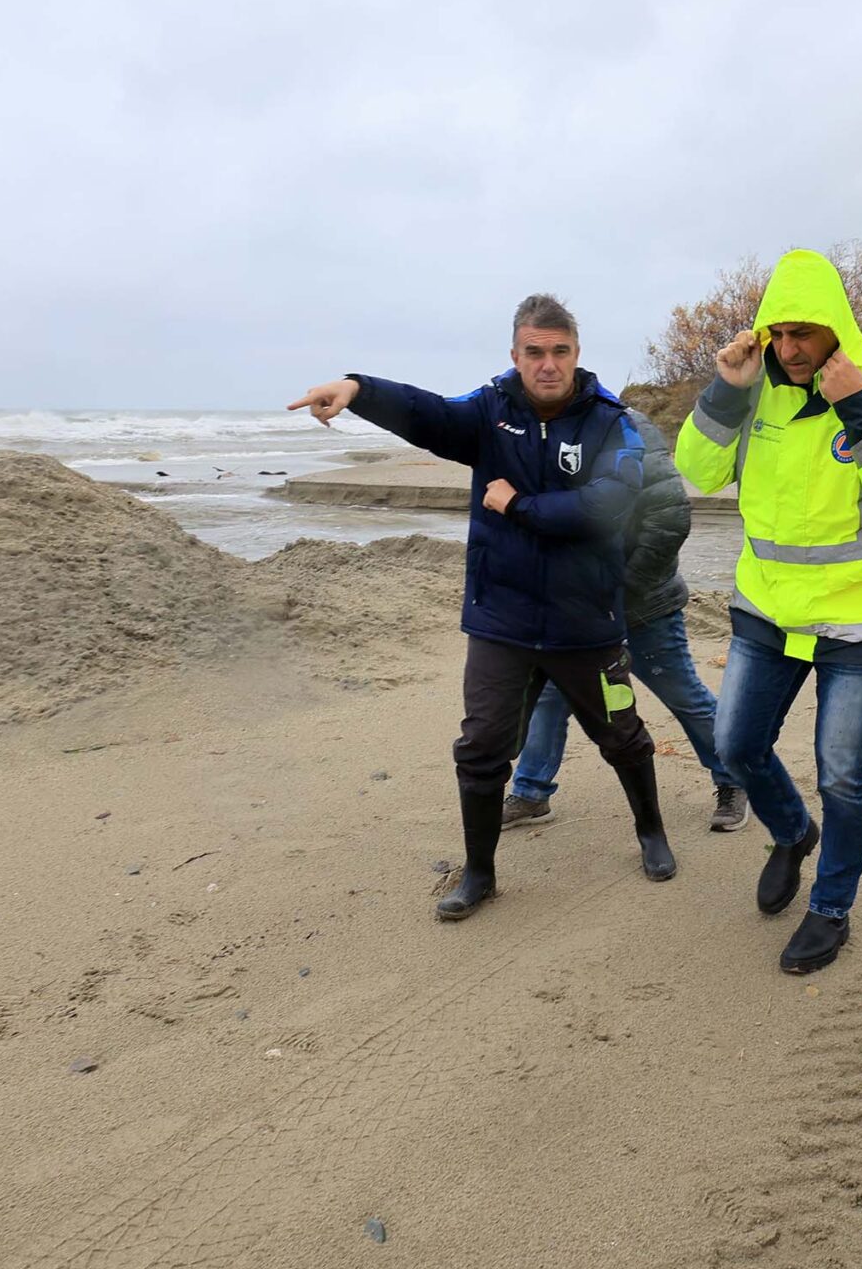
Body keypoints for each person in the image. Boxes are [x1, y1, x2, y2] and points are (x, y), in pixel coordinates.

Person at [287, 294, 676, 922]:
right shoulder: (489, 413)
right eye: (534, 352)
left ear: (576, 353)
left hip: (588, 626)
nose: (547, 364)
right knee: (482, 747)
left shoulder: (613, 423)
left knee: (622, 734)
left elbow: (607, 507)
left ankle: (651, 832)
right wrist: (358, 387)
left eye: (560, 351)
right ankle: (479, 873)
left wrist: (515, 505)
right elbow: (427, 414)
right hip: (502, 622)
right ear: (515, 355)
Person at [675, 249, 862, 975]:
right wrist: (727, 390)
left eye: (806, 333)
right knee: (733, 748)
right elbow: (699, 471)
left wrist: (859, 403)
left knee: (842, 771)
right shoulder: (756, 379)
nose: (792, 349)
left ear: (837, 327)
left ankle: (831, 907)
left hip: (861, 618)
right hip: (768, 607)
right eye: (781, 333)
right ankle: (793, 833)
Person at [502, 405, 748, 833]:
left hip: (643, 604)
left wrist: (618, 592)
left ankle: (734, 779)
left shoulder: (627, 427)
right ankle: (530, 792)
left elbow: (669, 519)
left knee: (683, 695)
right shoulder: (541, 437)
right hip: (573, 612)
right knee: (550, 699)